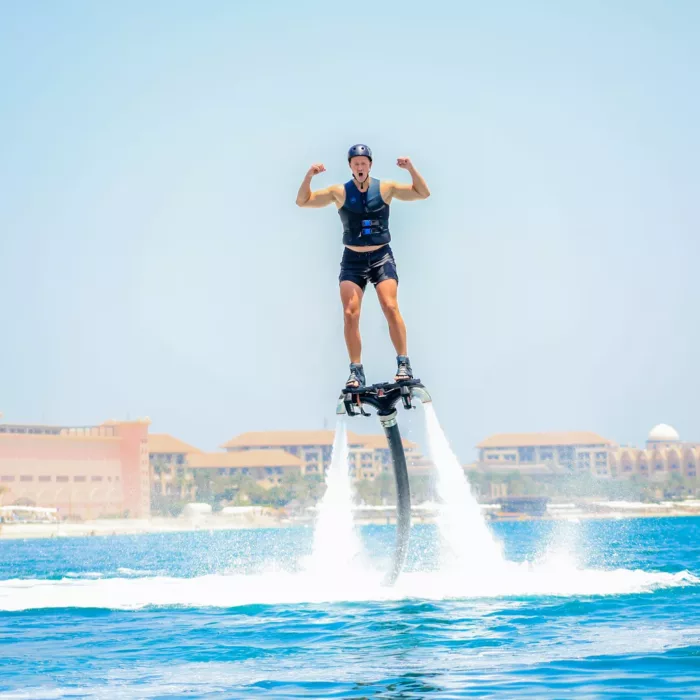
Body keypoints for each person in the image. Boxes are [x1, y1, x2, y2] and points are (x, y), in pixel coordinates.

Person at [296, 144, 430, 389]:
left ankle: (403, 363)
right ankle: (356, 370)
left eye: (363, 163)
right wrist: (309, 176)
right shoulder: (339, 192)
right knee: (350, 313)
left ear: (370, 165)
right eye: (355, 163)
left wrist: (410, 168)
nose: (360, 166)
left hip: (381, 257)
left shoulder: (386, 188)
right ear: (350, 166)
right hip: (353, 261)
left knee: (390, 305)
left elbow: (422, 193)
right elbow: (302, 201)